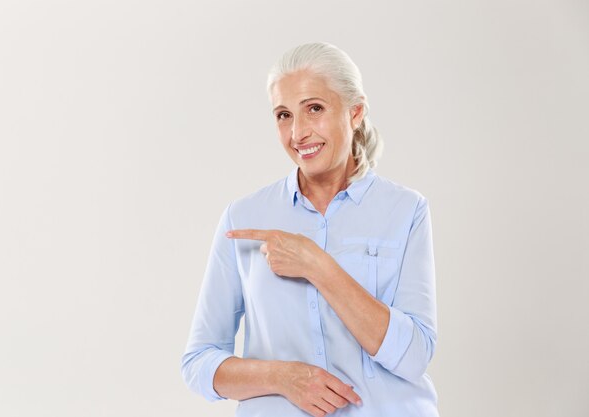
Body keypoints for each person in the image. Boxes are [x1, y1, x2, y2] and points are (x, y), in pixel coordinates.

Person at [181, 42, 439, 417]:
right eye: (283, 115)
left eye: (314, 109)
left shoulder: (405, 210)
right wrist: (283, 377)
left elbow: (414, 356)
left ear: (356, 112)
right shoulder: (244, 217)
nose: (298, 132)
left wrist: (317, 266)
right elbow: (198, 363)